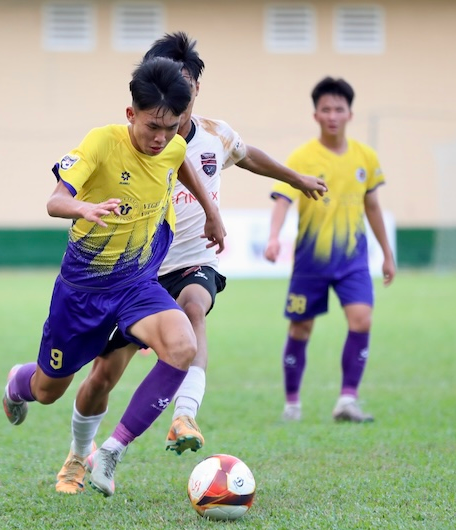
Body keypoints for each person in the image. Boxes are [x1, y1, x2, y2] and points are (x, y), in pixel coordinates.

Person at [54, 32, 328, 495]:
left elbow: (248, 156)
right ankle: (79, 454)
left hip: (192, 261)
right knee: (102, 376)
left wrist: (295, 178)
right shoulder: (128, 142)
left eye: (184, 85)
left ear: (195, 89)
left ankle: (184, 415)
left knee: (194, 307)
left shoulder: (215, 134)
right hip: (135, 272)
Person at [1, 56, 227, 497]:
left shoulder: (171, 146)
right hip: (82, 292)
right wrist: (82, 207)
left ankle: (110, 451)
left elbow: (180, 162)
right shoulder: (102, 142)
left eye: (171, 127)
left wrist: (211, 211)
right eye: (152, 127)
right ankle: (16, 384)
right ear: (130, 114)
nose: (161, 138)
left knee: (183, 345)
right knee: (49, 389)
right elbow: (54, 200)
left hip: (137, 284)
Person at [263, 76, 396, 423]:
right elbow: (282, 200)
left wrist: (387, 253)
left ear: (350, 114)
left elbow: (373, 207)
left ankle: (347, 400)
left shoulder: (365, 157)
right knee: (300, 329)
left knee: (362, 319)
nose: (333, 116)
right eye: (326, 109)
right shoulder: (302, 157)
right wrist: (274, 237)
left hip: (353, 260)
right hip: (311, 261)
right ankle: (292, 404)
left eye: (339, 109)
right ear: (316, 115)